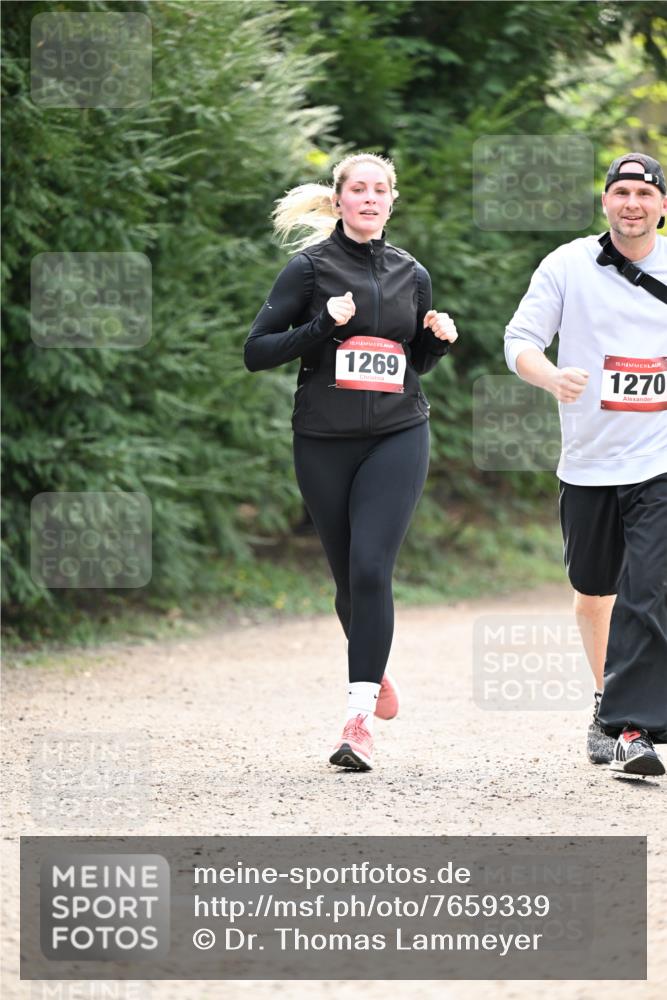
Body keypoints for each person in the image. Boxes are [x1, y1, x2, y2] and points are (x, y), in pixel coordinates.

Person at [244, 153, 458, 770]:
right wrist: (320, 326)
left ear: (392, 202)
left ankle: (357, 720)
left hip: (398, 433)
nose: (369, 197)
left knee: (371, 568)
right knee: (347, 584)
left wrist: (435, 342)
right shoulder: (309, 269)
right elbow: (256, 352)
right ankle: (375, 666)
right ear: (338, 202)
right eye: (357, 189)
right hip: (323, 440)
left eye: (379, 189)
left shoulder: (411, 274)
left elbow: (410, 366)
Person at [504, 152, 667, 777]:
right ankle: (606, 702)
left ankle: (632, 729)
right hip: (589, 461)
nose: (632, 203)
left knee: (646, 588)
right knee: (594, 593)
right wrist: (551, 377)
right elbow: (519, 340)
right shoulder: (568, 264)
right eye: (620, 191)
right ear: (605, 201)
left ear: (660, 205)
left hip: (657, 458)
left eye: (643, 193)